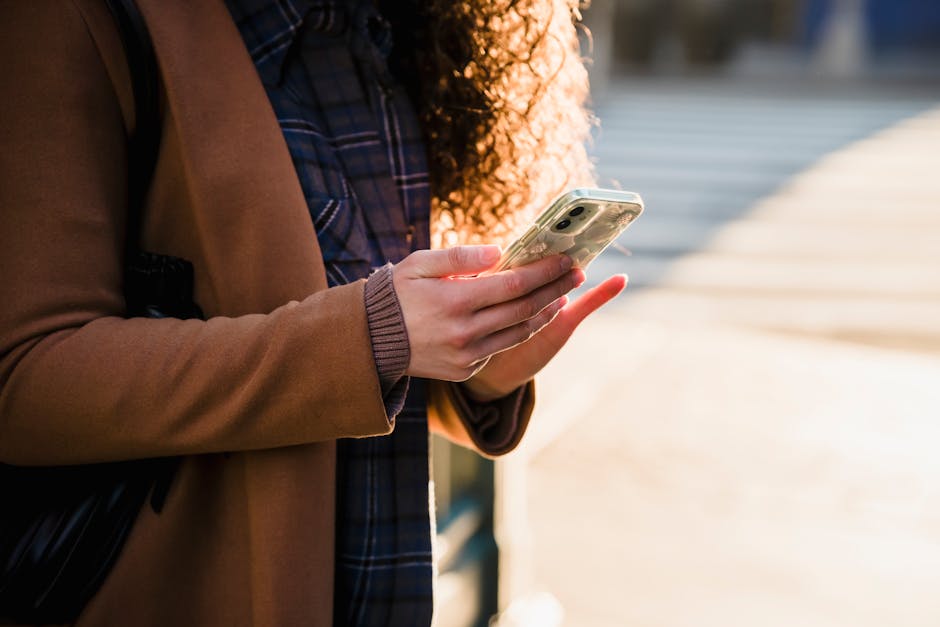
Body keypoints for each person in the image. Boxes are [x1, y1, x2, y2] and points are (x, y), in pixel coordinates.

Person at [0, 0, 627, 625]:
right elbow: (24, 381)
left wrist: (478, 367)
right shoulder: (71, 18)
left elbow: (344, 355)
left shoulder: (384, 28)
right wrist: (373, 336)